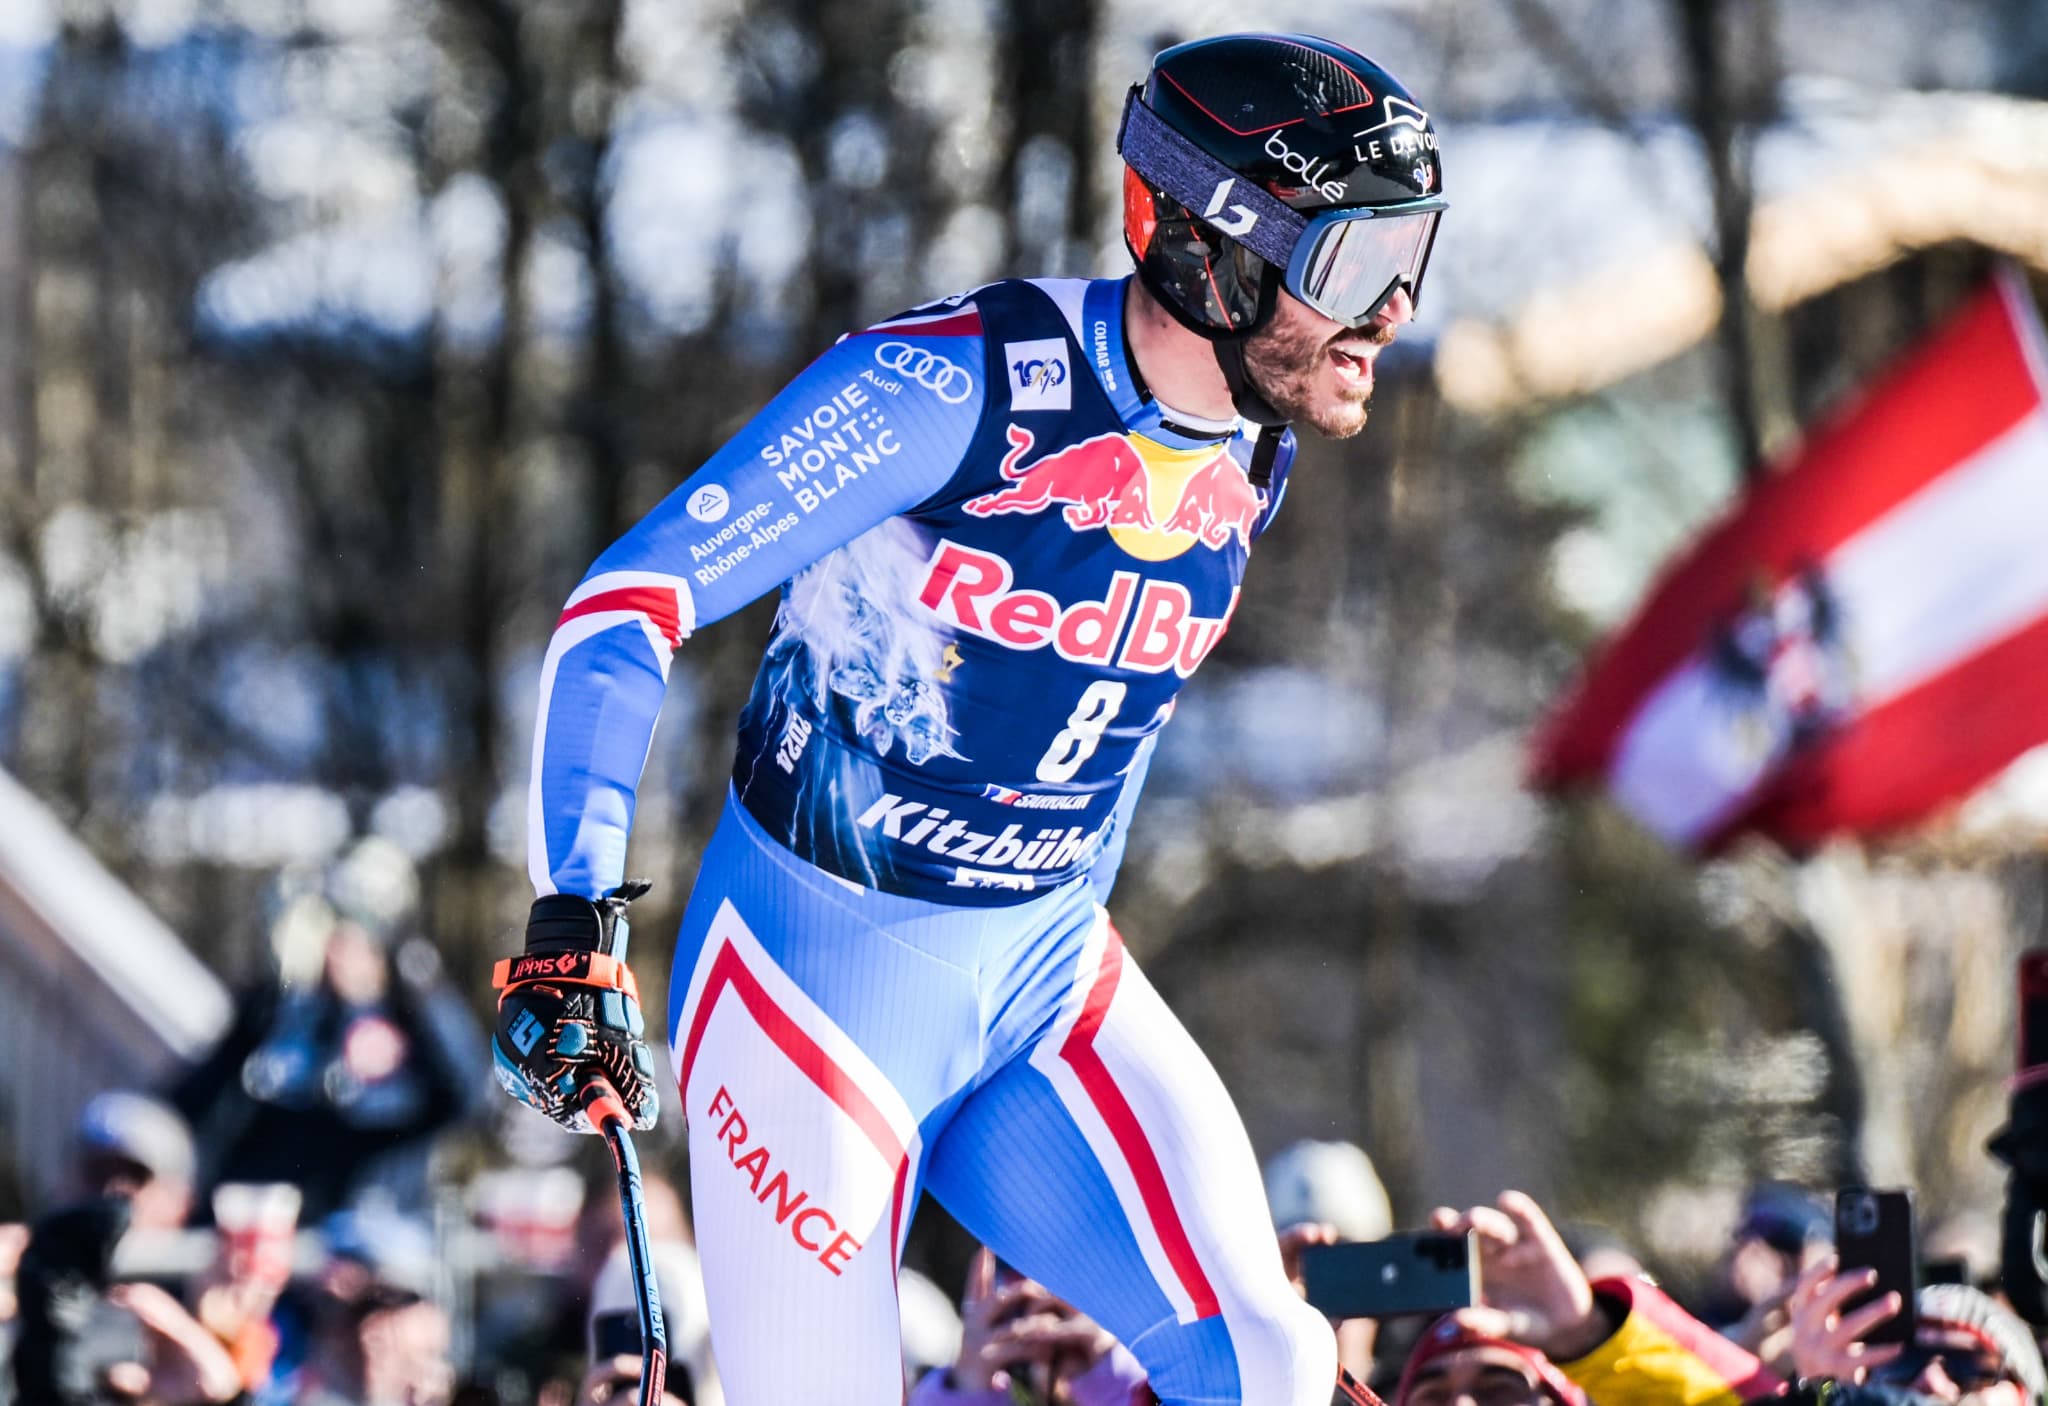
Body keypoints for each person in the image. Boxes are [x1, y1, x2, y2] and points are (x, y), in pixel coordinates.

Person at [490, 30, 1445, 1405]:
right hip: (810, 988)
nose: (1395, 309)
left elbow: (1103, 733)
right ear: (1210, 249)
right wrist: (572, 918)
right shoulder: (953, 386)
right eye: (1354, 264)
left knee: (1269, 1360)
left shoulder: (1258, 434)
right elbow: (623, 606)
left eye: (1413, 255)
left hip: (1044, 966)